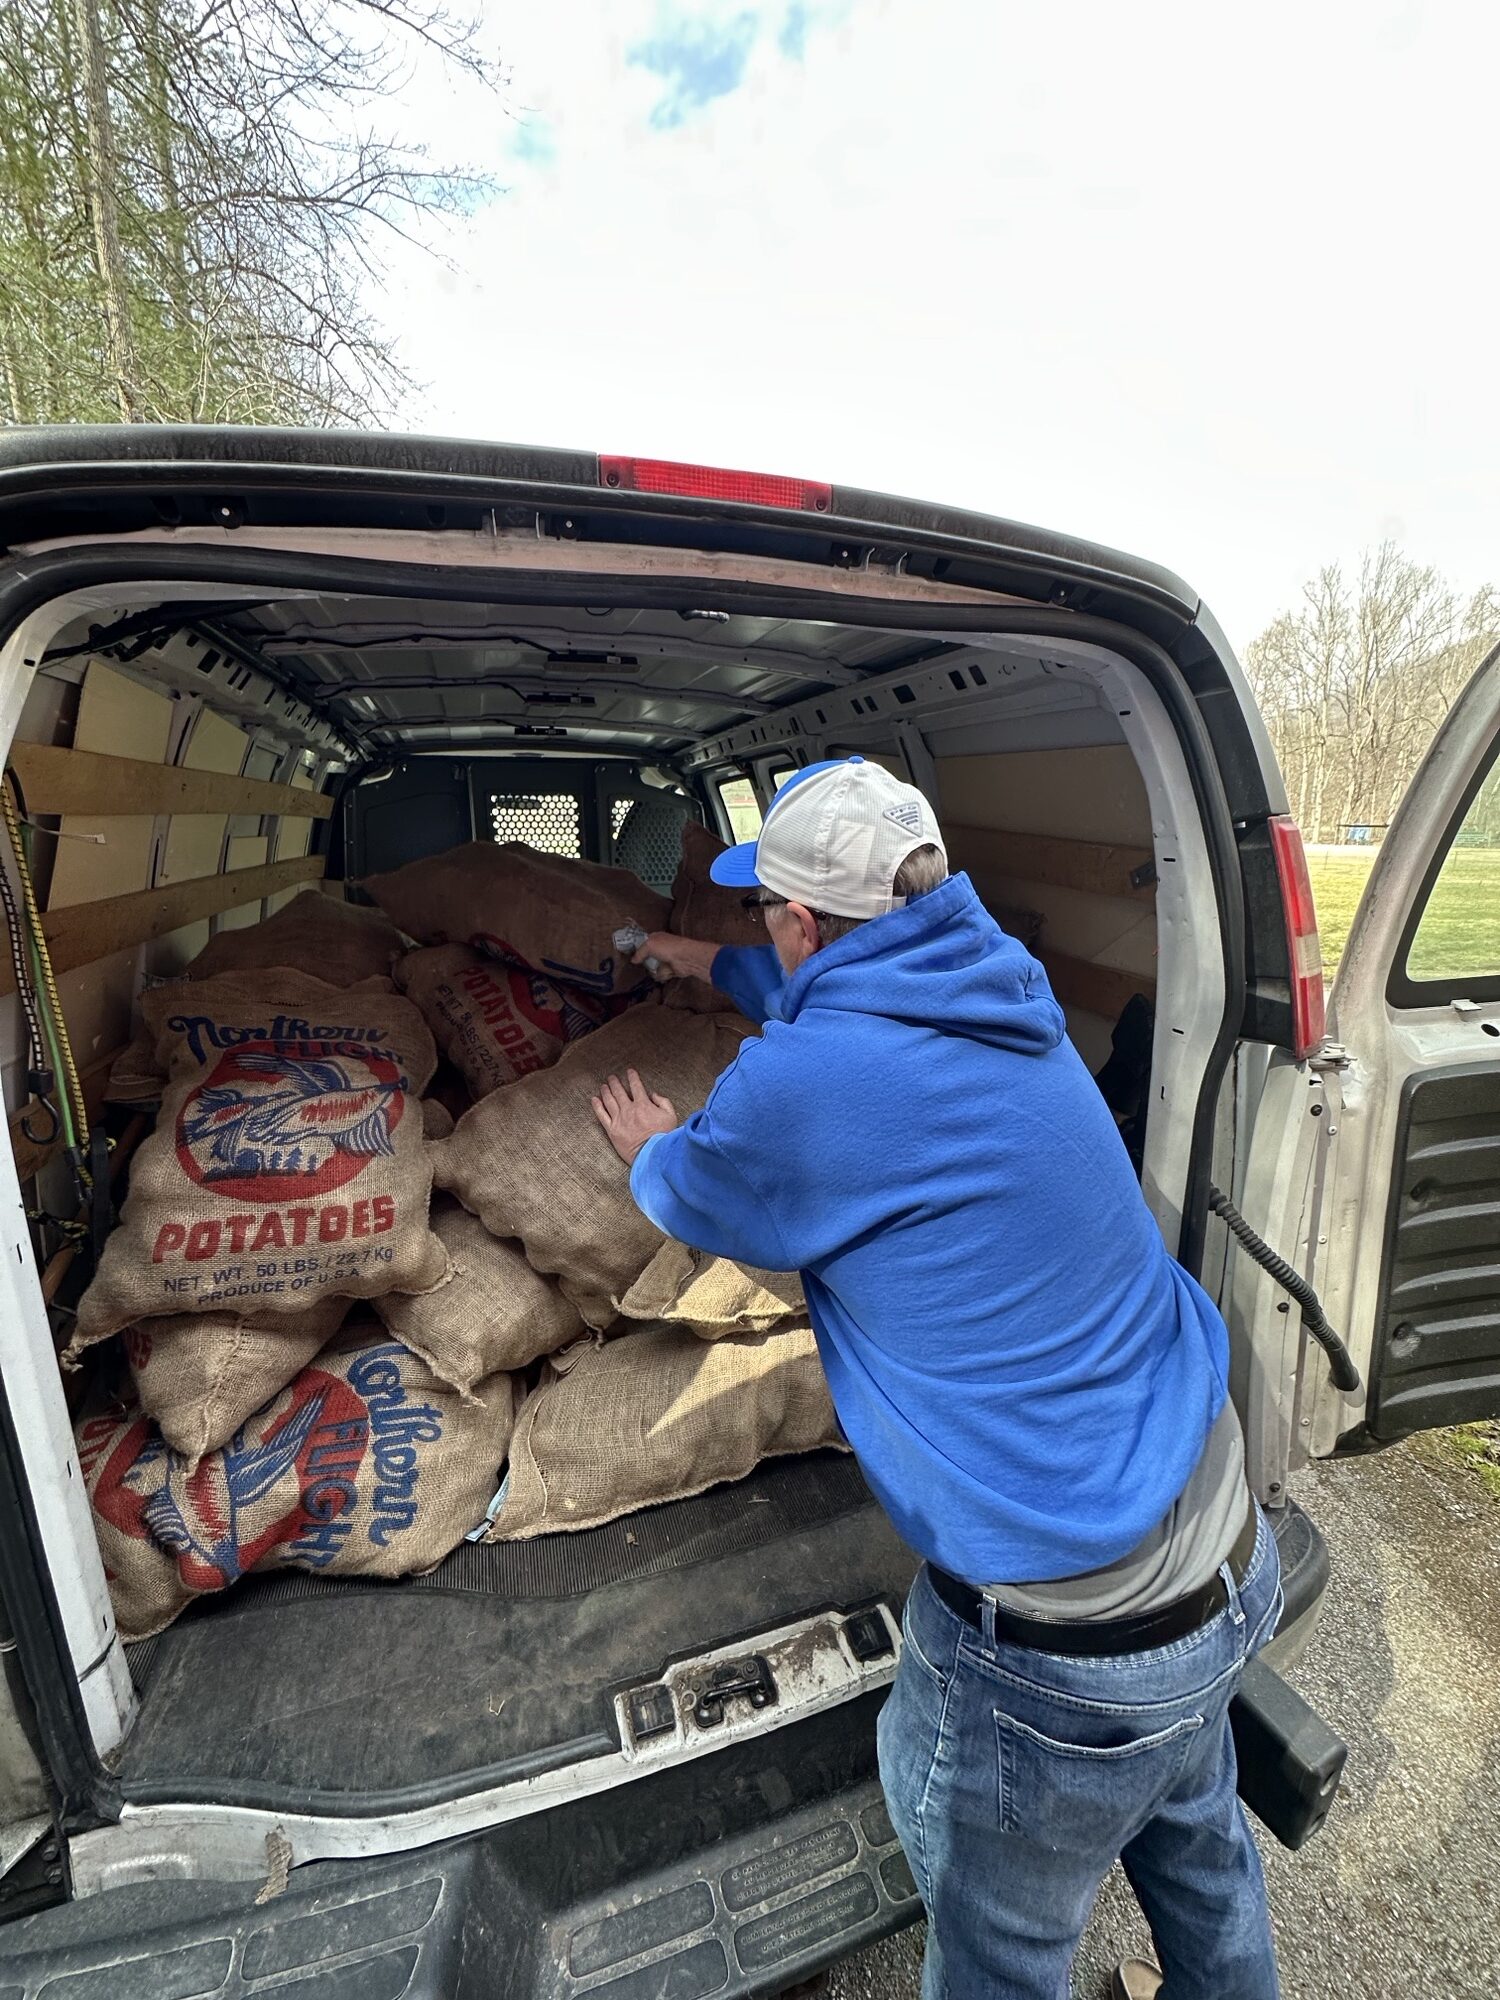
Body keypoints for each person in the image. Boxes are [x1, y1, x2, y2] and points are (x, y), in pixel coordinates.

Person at [590, 757, 1283, 2000]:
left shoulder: (796, 1087)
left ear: (804, 923)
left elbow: (700, 1185)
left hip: (1072, 1647)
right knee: (1204, 1851)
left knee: (994, 1933)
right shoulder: (1003, 979)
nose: (765, 928)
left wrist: (649, 1147)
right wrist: (707, 962)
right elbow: (855, 992)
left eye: (768, 912)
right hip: (1224, 1540)